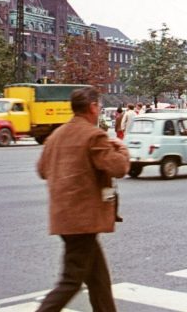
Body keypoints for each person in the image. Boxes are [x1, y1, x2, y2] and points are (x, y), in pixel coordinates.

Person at [36, 86, 130, 312]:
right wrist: (121, 149)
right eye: (98, 105)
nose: (99, 110)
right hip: (82, 219)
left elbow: (42, 170)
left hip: (64, 217)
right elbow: (118, 168)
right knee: (71, 280)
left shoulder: (57, 135)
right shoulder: (93, 135)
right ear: (92, 107)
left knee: (98, 280)